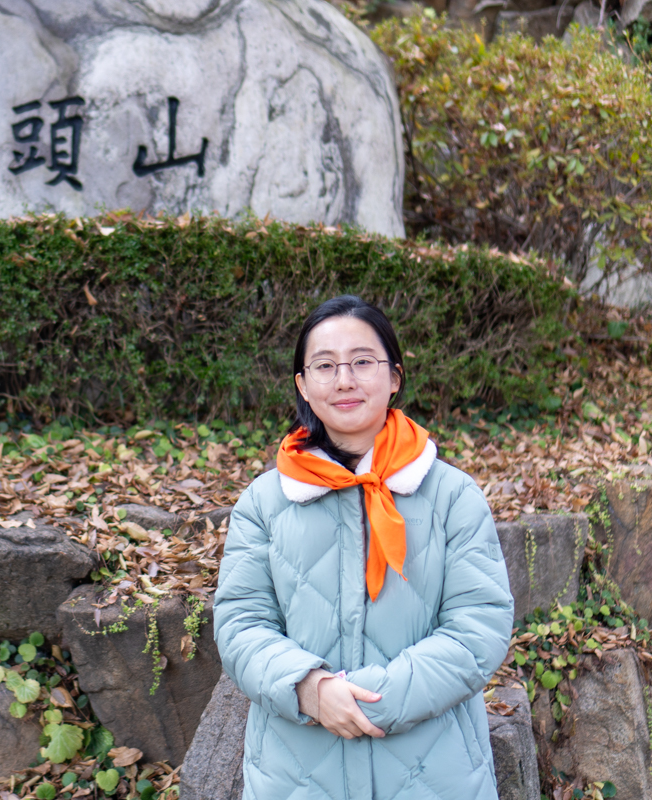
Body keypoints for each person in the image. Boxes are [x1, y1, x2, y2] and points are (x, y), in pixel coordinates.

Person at [214, 295, 513, 799]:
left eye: (362, 362)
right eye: (325, 366)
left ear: (394, 376)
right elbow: (241, 624)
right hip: (296, 777)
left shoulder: (452, 495)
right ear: (303, 385)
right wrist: (310, 690)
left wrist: (372, 701)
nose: (345, 380)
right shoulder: (265, 501)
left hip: (434, 774)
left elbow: (478, 626)